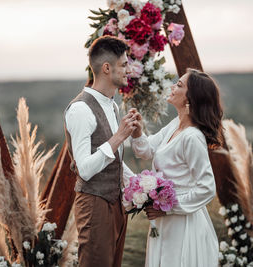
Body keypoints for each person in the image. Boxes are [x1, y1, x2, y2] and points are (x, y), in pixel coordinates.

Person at [130, 69, 222, 267]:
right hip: (163, 219)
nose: (172, 86)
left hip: (183, 223)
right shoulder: (174, 125)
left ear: (190, 98)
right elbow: (146, 150)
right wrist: (138, 132)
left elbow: (207, 188)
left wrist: (169, 208)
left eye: (179, 85)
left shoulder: (192, 137)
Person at [64, 36, 138, 267]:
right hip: (94, 206)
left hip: (116, 204)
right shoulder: (80, 109)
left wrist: (143, 187)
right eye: (124, 64)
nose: (129, 70)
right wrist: (118, 137)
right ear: (107, 68)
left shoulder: (112, 105)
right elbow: (84, 169)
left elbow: (113, 160)